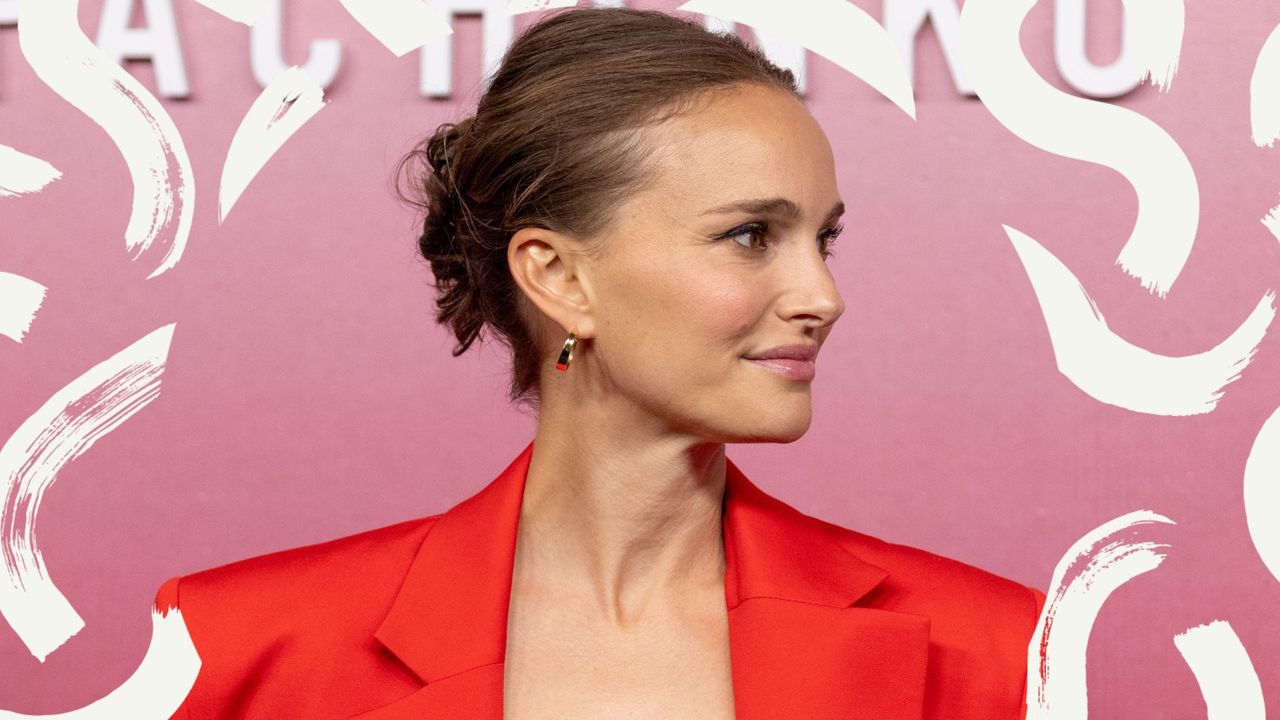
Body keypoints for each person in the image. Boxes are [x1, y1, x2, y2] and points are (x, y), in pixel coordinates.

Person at [153, 7, 1046, 719]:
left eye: (824, 240)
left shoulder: (996, 653)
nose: (822, 295)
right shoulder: (234, 651)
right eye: (750, 236)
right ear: (560, 277)